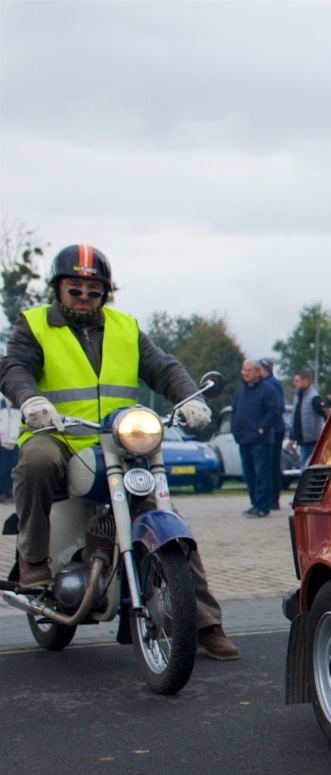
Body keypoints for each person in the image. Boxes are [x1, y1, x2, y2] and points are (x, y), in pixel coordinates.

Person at [0, 244, 240, 659]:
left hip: (118, 440)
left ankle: (204, 622)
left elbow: (162, 367)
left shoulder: (125, 326)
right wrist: (29, 400)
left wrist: (189, 398)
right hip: (59, 434)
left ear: (105, 293)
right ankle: (34, 562)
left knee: (166, 518)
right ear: (58, 288)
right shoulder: (35, 324)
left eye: (93, 290)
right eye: (74, 288)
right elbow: (15, 367)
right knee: (34, 463)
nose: (83, 296)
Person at [232, 358, 279, 517]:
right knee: (249, 474)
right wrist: (235, 429)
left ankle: (263, 505)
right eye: (243, 370)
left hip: (261, 440)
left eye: (249, 370)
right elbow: (235, 411)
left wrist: (261, 428)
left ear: (258, 372)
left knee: (262, 474)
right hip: (243, 439)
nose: (245, 373)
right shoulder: (240, 390)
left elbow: (274, 412)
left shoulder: (268, 390)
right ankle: (254, 503)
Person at [258, 358, 286, 510]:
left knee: (273, 465)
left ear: (265, 370)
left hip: (275, 430)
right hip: (274, 429)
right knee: (271, 465)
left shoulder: (271, 384)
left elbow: (278, 407)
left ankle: (274, 498)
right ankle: (272, 498)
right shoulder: (268, 383)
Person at [289, 367, 328, 464]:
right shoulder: (297, 397)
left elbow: (326, 415)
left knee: (306, 465)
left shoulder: (314, 398)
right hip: (302, 439)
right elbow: (295, 418)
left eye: (297, 381)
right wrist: (292, 436)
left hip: (312, 441)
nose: (295, 383)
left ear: (306, 381)